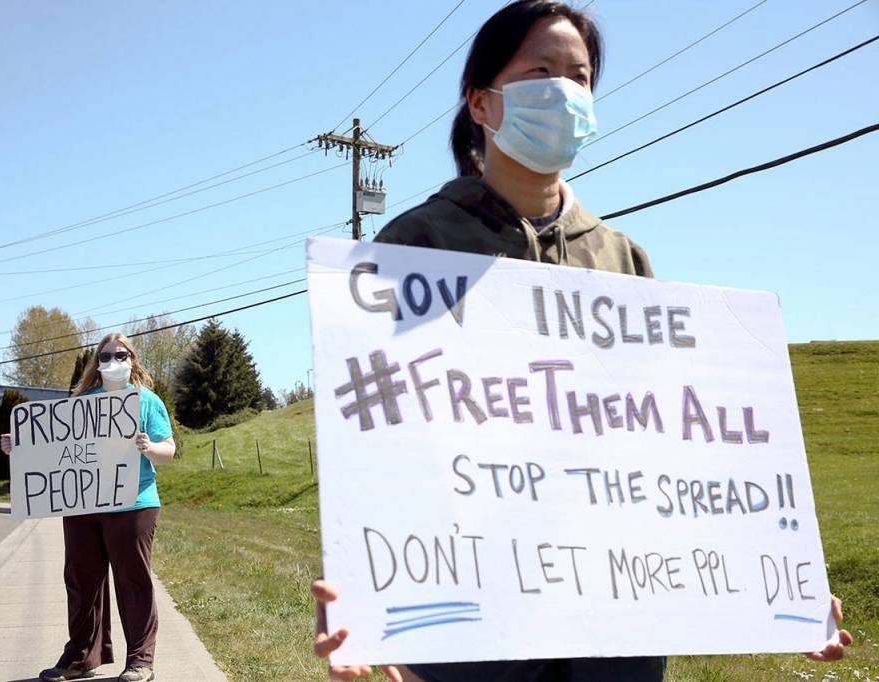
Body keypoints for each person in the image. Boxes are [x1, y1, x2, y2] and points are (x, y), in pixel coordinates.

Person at [310, 1, 853, 680]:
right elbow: (374, 439)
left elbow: (677, 451)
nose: (564, 92)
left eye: (580, 76)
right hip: (469, 619)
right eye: (541, 71)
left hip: (613, 619)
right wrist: (360, 596)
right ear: (482, 103)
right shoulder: (419, 246)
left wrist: (782, 589)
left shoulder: (624, 260)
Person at [1, 332, 175, 682]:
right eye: (106, 355)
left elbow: (169, 448)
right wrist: (19, 447)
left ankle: (141, 661)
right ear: (97, 363)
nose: (114, 361)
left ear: (133, 360)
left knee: (133, 580)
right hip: (82, 503)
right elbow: (52, 448)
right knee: (81, 580)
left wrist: (149, 447)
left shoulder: (147, 402)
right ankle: (80, 658)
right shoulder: (80, 403)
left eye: (121, 355)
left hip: (133, 502)